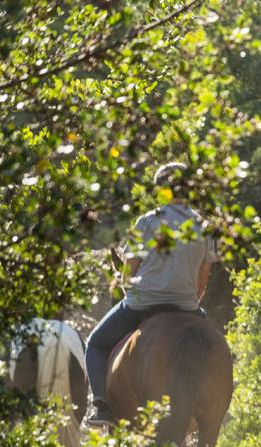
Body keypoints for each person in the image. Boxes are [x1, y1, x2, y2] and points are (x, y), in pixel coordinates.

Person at [85, 163, 218, 426]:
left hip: (142, 305)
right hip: (186, 306)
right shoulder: (205, 227)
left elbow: (128, 274)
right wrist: (186, 301)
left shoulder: (147, 222)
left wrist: (130, 290)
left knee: (95, 344)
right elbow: (202, 282)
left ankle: (102, 407)